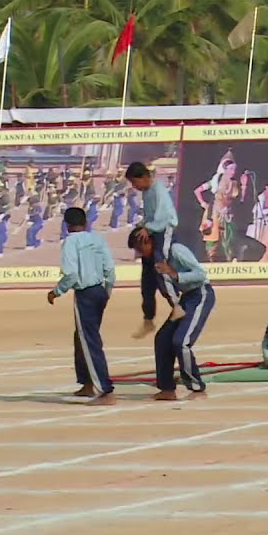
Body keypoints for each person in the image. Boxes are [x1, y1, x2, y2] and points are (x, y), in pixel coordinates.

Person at [129, 227, 214, 401]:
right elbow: (149, 290)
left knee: (181, 342)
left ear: (149, 241)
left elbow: (200, 274)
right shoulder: (152, 262)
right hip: (185, 298)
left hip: (200, 294)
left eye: (140, 248)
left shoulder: (176, 250)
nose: (140, 254)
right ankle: (167, 388)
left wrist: (174, 274)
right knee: (162, 340)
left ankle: (196, 386)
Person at [49, 207, 117, 405]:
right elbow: (110, 270)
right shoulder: (98, 239)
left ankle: (105, 390)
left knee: (89, 340)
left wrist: (56, 291)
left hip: (85, 293)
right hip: (99, 291)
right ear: (86, 222)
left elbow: (70, 274)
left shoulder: (70, 242)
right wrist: (107, 292)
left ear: (67, 225)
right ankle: (87, 383)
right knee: (82, 337)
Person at [126, 162, 183, 338]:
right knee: (147, 280)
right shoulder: (147, 192)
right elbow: (150, 216)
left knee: (160, 267)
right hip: (152, 232)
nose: (135, 187)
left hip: (163, 231)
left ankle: (177, 306)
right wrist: (143, 225)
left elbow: (164, 218)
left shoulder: (158, 190)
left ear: (143, 177)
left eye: (135, 183)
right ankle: (148, 320)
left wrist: (148, 228)